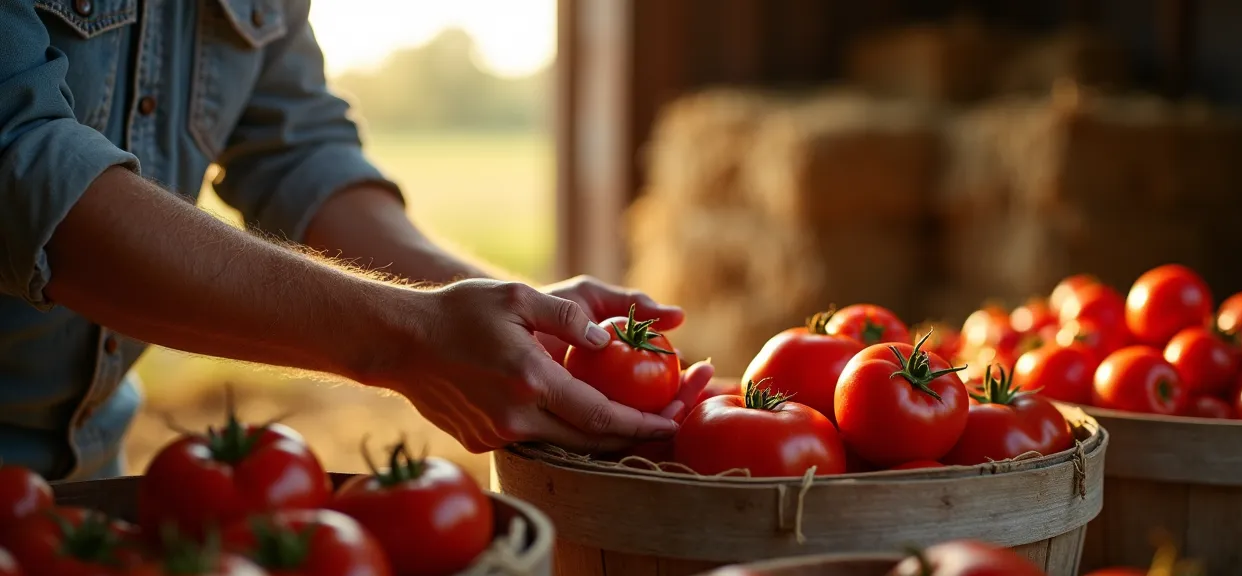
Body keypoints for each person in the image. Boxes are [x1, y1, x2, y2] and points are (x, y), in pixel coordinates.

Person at [0, 1, 712, 481]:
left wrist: (533, 327)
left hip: (86, 476)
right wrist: (404, 337)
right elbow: (23, 168)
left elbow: (300, 153)